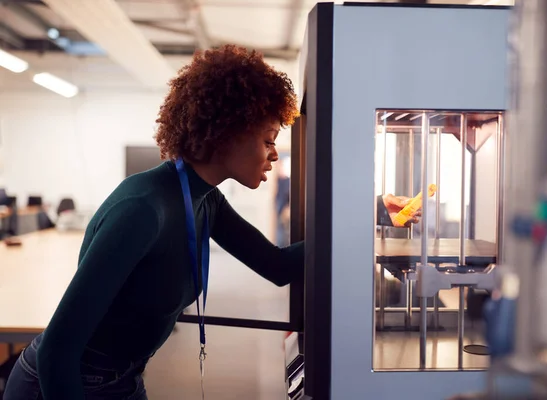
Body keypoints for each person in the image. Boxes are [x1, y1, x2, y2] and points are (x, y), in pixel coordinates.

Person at [4, 45, 418, 400]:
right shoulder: (143, 208)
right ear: (227, 132)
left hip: (123, 381)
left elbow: (277, 266)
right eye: (269, 139)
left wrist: (373, 214)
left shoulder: (205, 200)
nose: (275, 155)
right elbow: (59, 347)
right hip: (62, 385)